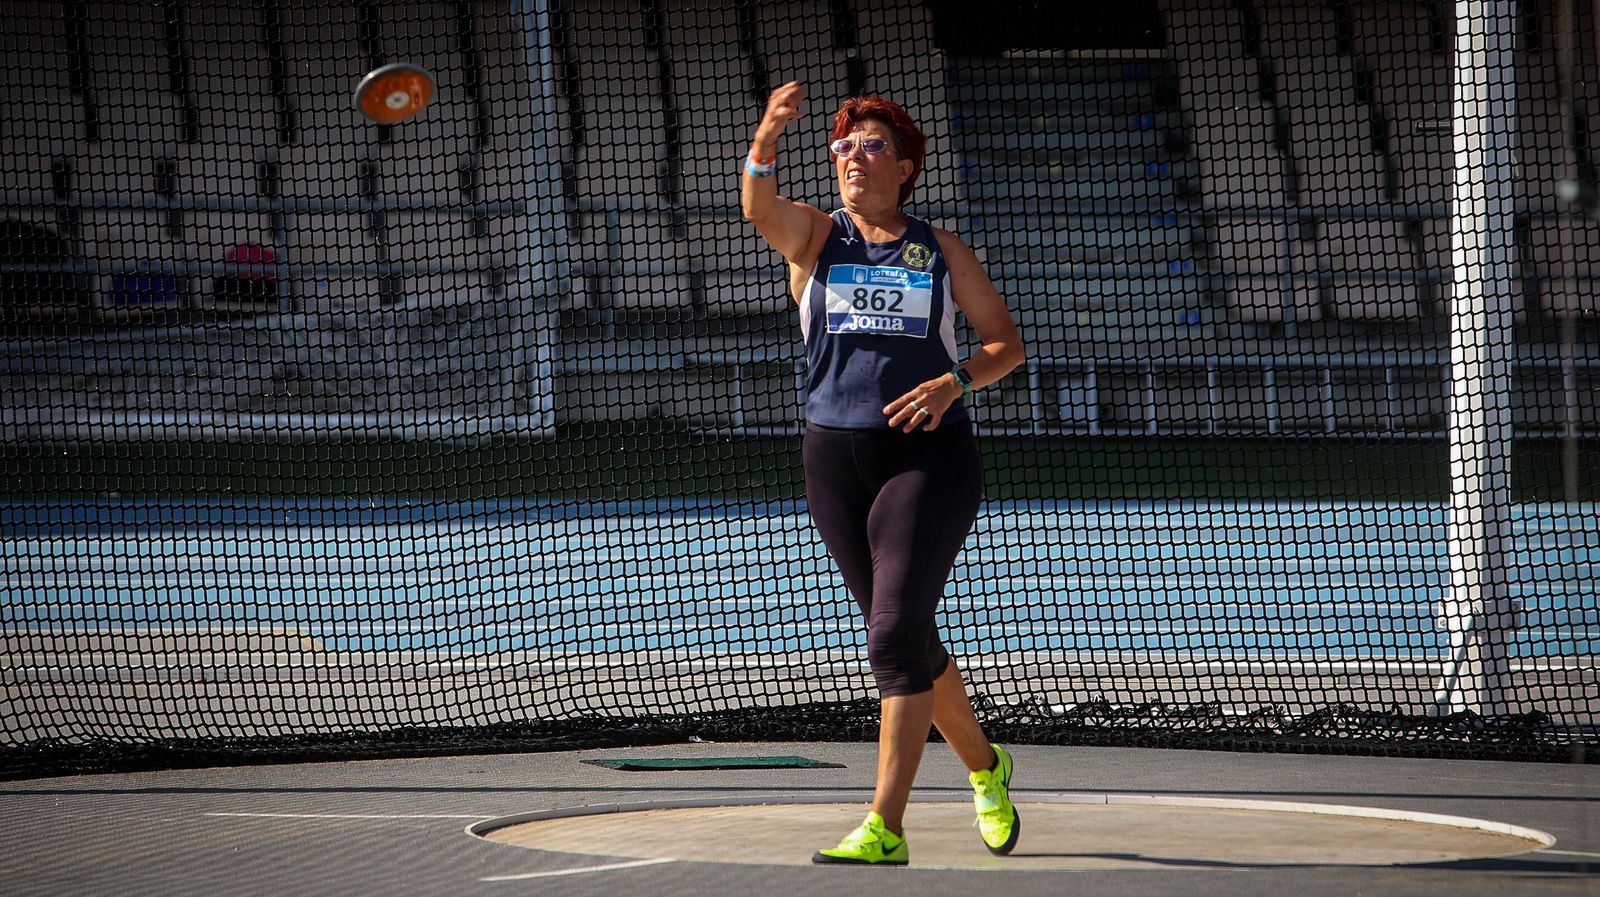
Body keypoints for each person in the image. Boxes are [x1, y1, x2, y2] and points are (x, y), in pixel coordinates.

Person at [740, 81, 1027, 866]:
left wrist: (954, 380)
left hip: (927, 457)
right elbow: (758, 210)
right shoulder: (815, 237)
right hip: (833, 460)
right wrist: (766, 137)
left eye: (872, 147)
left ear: (905, 168)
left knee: (893, 634)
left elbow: (1005, 343)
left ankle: (885, 826)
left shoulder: (940, 248)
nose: (854, 159)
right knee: (907, 640)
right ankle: (987, 768)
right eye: (843, 147)